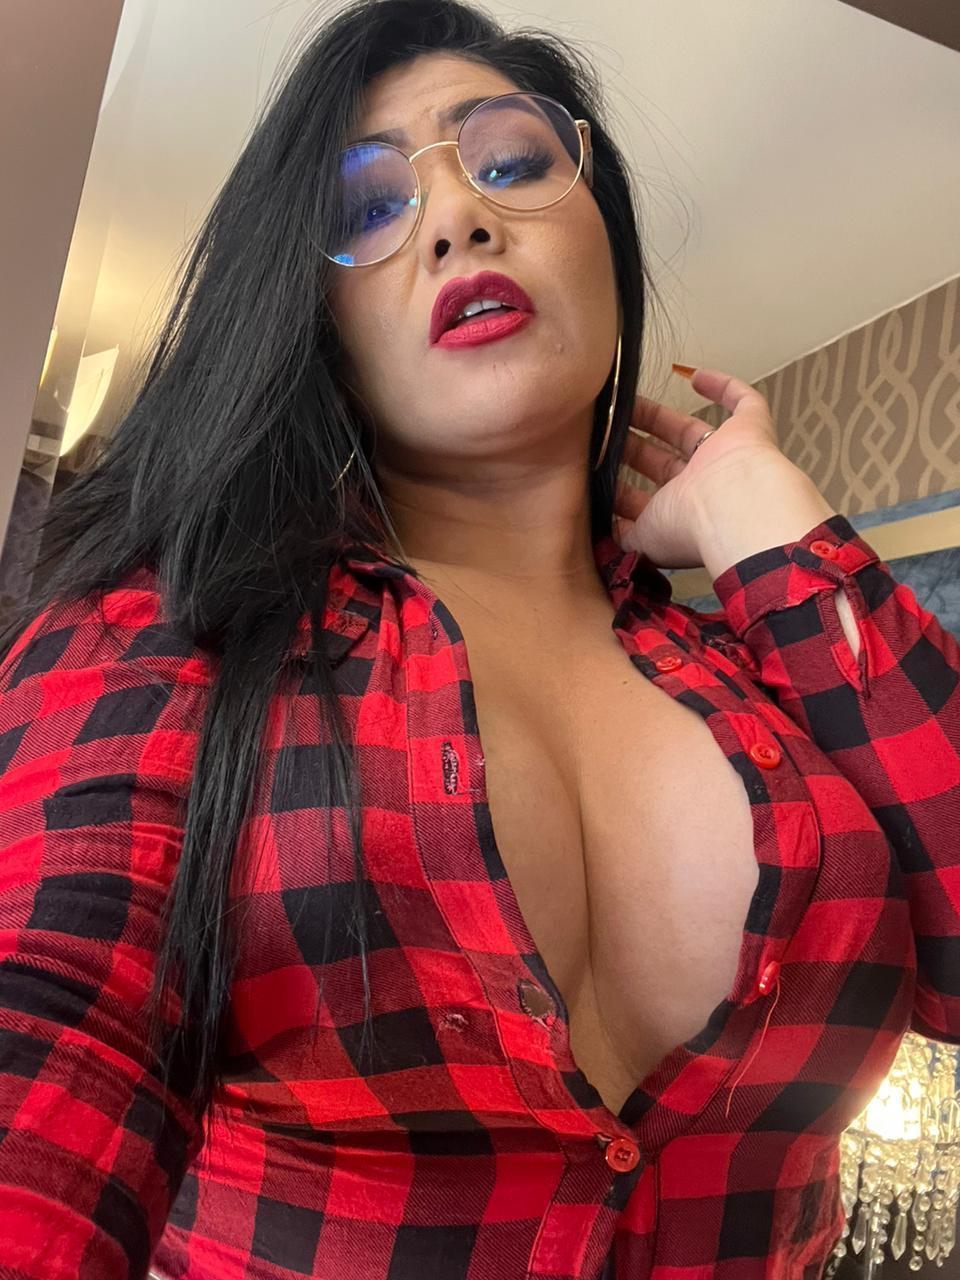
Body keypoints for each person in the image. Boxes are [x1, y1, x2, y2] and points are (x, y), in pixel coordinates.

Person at [0, 0, 957, 1276]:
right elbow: (44, 1046)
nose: (457, 216)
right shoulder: (168, 638)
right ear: (315, 314)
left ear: (606, 241)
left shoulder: (767, 673)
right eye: (367, 210)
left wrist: (771, 525)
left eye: (508, 164)